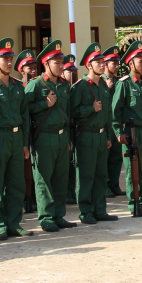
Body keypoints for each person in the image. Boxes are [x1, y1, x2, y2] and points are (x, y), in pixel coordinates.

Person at [0, 38, 33, 240]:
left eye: (11, 59)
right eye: (5, 59)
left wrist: (25, 144)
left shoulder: (18, 86)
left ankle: (14, 223)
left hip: (17, 138)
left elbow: (25, 117)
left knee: (16, 184)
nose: (9, 63)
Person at [25, 40, 75, 232]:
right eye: (57, 63)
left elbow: (68, 114)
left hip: (62, 137)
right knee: (44, 179)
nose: (61, 66)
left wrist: (69, 139)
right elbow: (25, 110)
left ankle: (58, 215)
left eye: (62, 62)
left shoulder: (64, 85)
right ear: (46, 64)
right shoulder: (36, 85)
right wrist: (43, 105)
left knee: (61, 178)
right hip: (44, 137)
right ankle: (46, 217)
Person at [69, 42, 118, 224]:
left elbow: (107, 113)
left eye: (103, 61)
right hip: (86, 136)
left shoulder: (104, 86)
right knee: (87, 175)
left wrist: (107, 137)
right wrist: (90, 109)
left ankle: (100, 210)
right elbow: (72, 112)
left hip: (100, 135)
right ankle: (86, 211)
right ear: (89, 65)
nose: (102, 64)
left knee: (100, 175)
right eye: (98, 62)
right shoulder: (80, 86)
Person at [112, 40, 142, 215]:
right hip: (133, 133)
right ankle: (135, 204)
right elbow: (115, 110)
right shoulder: (124, 84)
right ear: (131, 63)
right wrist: (118, 132)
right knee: (134, 170)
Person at [103, 46, 124, 197]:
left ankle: (114, 184)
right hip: (104, 125)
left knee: (116, 156)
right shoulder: (100, 82)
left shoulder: (119, 81)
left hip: (116, 124)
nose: (116, 66)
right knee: (105, 158)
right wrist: (107, 89)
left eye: (118, 63)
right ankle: (105, 186)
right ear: (105, 64)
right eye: (113, 63)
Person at [62, 53, 78, 204]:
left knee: (72, 164)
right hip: (62, 131)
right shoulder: (62, 88)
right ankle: (66, 193)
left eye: (74, 71)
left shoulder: (73, 88)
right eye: (69, 71)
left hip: (72, 130)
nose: (72, 74)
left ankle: (71, 192)